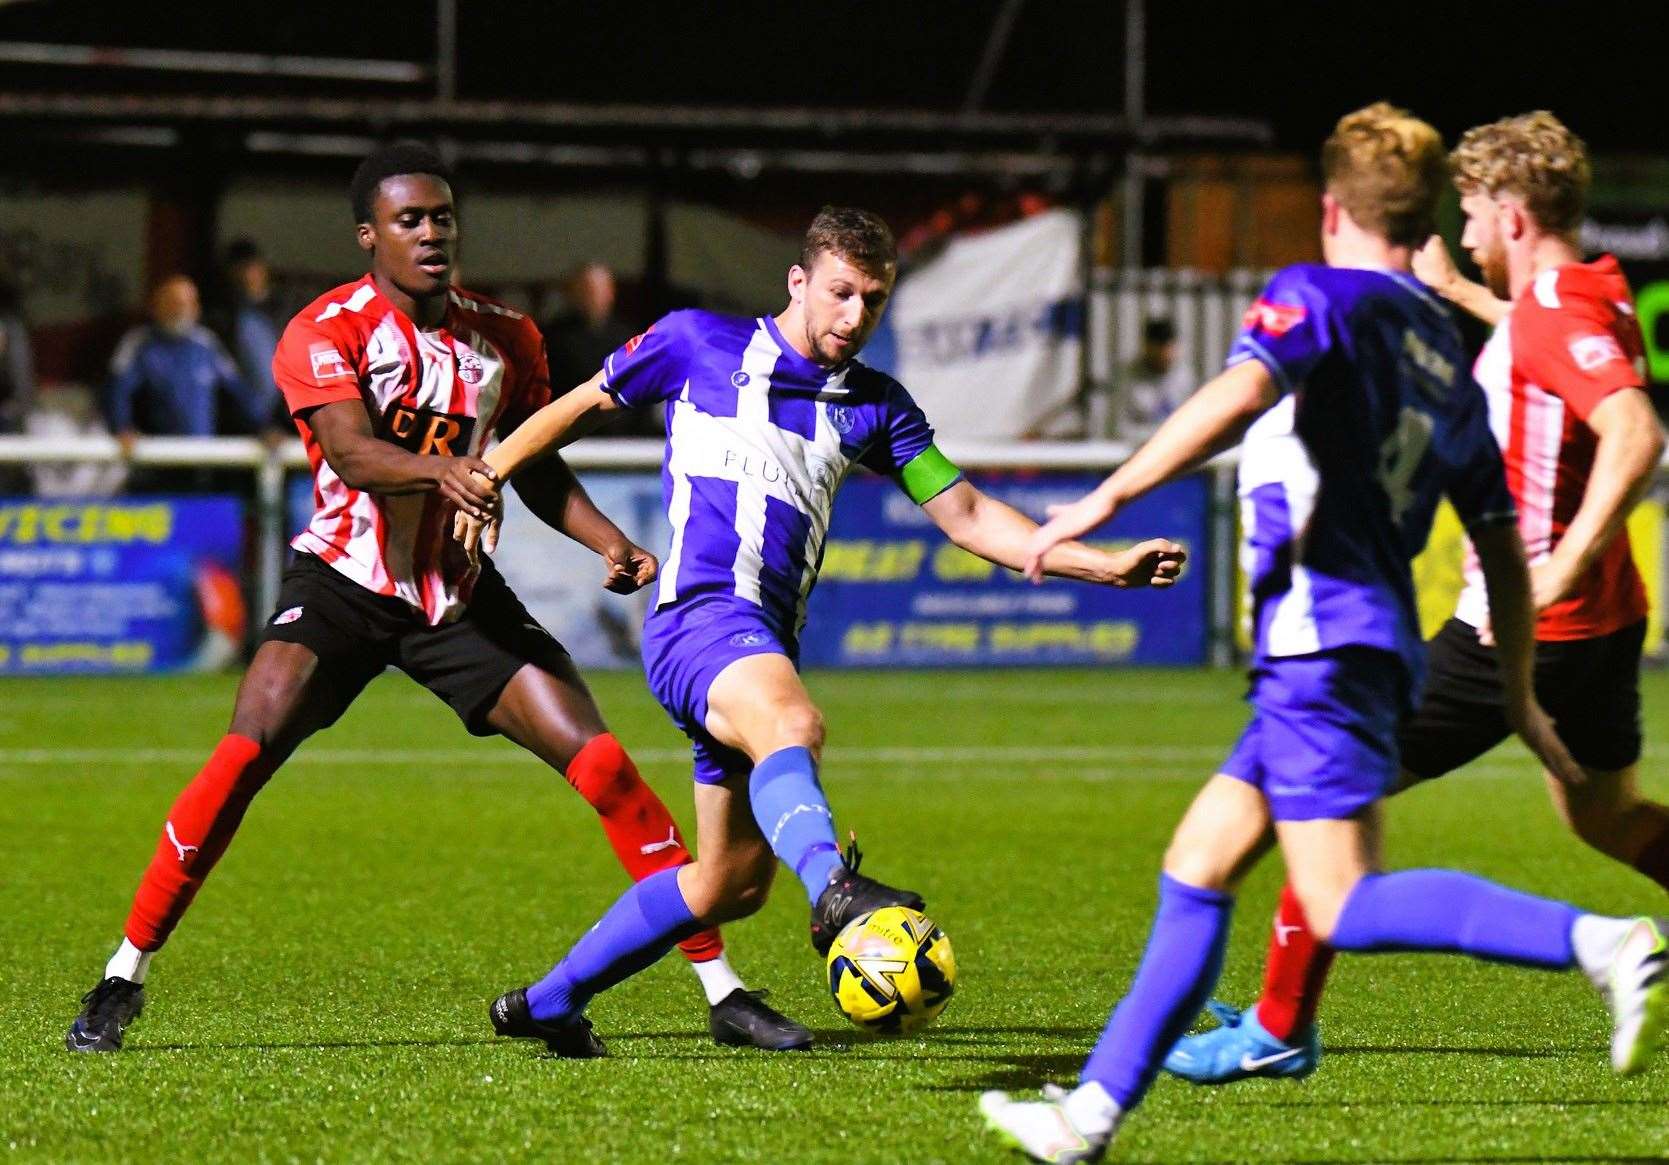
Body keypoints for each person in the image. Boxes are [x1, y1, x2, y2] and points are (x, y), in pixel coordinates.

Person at [978, 103, 1668, 1162]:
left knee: (1340, 897)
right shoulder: (1446, 348)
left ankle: (1601, 942)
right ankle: (1088, 1117)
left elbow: (1236, 390)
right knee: (1199, 859)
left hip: (1320, 645)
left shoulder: (1318, 296)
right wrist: (1521, 694)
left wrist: (1100, 499)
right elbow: (1493, 544)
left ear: (1329, 208)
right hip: (1373, 645)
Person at [66, 142, 807, 1057]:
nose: (430, 233)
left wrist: (606, 540)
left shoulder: (509, 337)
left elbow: (533, 466)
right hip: (341, 584)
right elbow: (347, 450)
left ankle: (721, 988)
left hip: (456, 600)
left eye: (442, 217)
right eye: (409, 219)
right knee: (240, 758)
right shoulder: (325, 328)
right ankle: (122, 973)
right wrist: (445, 471)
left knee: (607, 765)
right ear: (367, 235)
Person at [454, 206, 1188, 1055]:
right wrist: (489, 473)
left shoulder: (878, 406)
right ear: (798, 281)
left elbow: (971, 515)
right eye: (840, 292)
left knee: (728, 881)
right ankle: (835, 892)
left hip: (760, 640)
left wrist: (1101, 564)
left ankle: (549, 1000)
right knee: (794, 724)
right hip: (697, 619)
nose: (853, 317)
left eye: (872, 301)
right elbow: (575, 406)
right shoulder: (694, 343)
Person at [1163, 110, 1669, 1086]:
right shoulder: (1587, 295)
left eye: (1473, 217)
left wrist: (1555, 566)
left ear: (1513, 217)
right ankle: (1275, 1019)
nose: (1464, 237)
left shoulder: (1557, 309)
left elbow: (1636, 432)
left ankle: (1275, 1023)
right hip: (1606, 622)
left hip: (1526, 626)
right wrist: (1458, 299)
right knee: (1606, 818)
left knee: (1318, 793)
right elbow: (1543, 347)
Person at [105, 276, 274, 444]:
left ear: (196, 308)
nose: (180, 310)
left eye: (187, 303)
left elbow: (239, 391)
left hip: (200, 456)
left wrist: (265, 427)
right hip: (156, 457)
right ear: (155, 306)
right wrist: (122, 427)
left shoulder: (206, 344)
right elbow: (118, 392)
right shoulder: (138, 343)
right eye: (172, 303)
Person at [1026, 317, 1192, 441]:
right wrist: (1158, 436)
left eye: (1169, 346)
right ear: (1147, 346)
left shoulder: (1184, 377)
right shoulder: (1127, 376)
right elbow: (1117, 429)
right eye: (1159, 346)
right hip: (1136, 454)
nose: (1165, 353)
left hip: (1173, 452)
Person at [207, 239, 286, 433]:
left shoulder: (286, 311)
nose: (246, 275)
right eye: (239, 269)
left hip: (283, 422)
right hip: (234, 424)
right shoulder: (220, 318)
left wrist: (280, 423)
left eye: (251, 267)